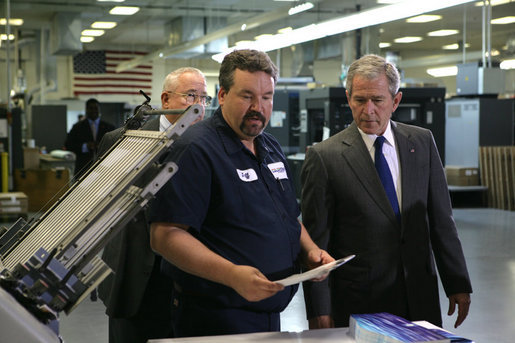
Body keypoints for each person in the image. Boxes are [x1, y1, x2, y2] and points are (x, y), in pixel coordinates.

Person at [149, 49, 334, 338]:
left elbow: (287, 218)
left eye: (266, 97)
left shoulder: (269, 147)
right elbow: (165, 235)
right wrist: (232, 275)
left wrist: (310, 251)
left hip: (269, 313)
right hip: (214, 317)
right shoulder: (196, 149)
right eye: (247, 96)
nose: (258, 107)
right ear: (222, 95)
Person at [300, 54, 472, 330]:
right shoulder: (325, 157)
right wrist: (319, 311)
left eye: (378, 100)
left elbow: (441, 220)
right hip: (359, 303)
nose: (368, 110)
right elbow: (316, 244)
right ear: (348, 98)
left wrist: (457, 282)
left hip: (419, 296)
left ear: (396, 100)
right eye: (359, 100)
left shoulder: (422, 143)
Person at [97, 67, 210, 343]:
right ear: (166, 99)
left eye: (205, 98)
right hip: (133, 277)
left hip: (191, 278)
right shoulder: (120, 141)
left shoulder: (211, 145)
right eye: (190, 96)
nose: (199, 105)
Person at [64, 98, 115, 179]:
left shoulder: (109, 127)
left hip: (104, 169)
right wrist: (85, 146)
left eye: (96, 108)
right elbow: (68, 144)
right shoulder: (77, 127)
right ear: (86, 110)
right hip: (82, 169)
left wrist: (101, 146)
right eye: (91, 108)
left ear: (99, 110)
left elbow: (115, 145)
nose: (93, 111)